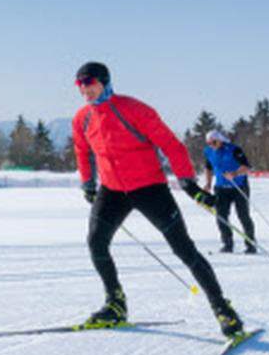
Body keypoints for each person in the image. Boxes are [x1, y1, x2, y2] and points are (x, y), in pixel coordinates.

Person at [71, 61, 245, 337]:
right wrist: (87, 182)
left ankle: (223, 309)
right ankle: (115, 305)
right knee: (96, 243)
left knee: (184, 250)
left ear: (104, 82)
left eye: (89, 83)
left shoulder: (133, 109)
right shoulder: (83, 118)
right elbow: (82, 151)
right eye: (79, 85)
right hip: (113, 190)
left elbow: (171, 145)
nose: (84, 90)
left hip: (149, 187)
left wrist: (187, 181)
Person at [202, 130, 258, 254]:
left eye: (214, 142)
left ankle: (251, 244)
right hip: (221, 189)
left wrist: (235, 173)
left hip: (239, 186)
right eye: (209, 143)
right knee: (221, 216)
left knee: (243, 216)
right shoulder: (209, 151)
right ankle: (227, 244)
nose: (211, 145)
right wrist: (208, 183)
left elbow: (247, 167)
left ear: (220, 140)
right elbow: (208, 167)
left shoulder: (234, 149)